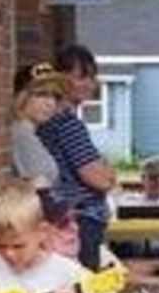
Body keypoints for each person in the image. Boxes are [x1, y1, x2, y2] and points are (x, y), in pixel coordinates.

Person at [37, 44, 117, 272]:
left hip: (67, 215)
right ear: (60, 78)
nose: (90, 84)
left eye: (92, 77)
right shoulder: (67, 123)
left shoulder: (49, 121)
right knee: (86, 287)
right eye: (82, 77)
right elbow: (98, 178)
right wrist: (108, 174)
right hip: (83, 218)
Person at [111, 155, 159, 267]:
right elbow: (113, 229)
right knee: (127, 247)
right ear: (143, 179)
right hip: (136, 247)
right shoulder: (128, 200)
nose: (158, 182)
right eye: (153, 177)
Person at [10, 62, 66, 187]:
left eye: (55, 96)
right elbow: (40, 190)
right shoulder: (22, 135)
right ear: (22, 97)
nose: (51, 103)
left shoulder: (30, 132)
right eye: (42, 95)